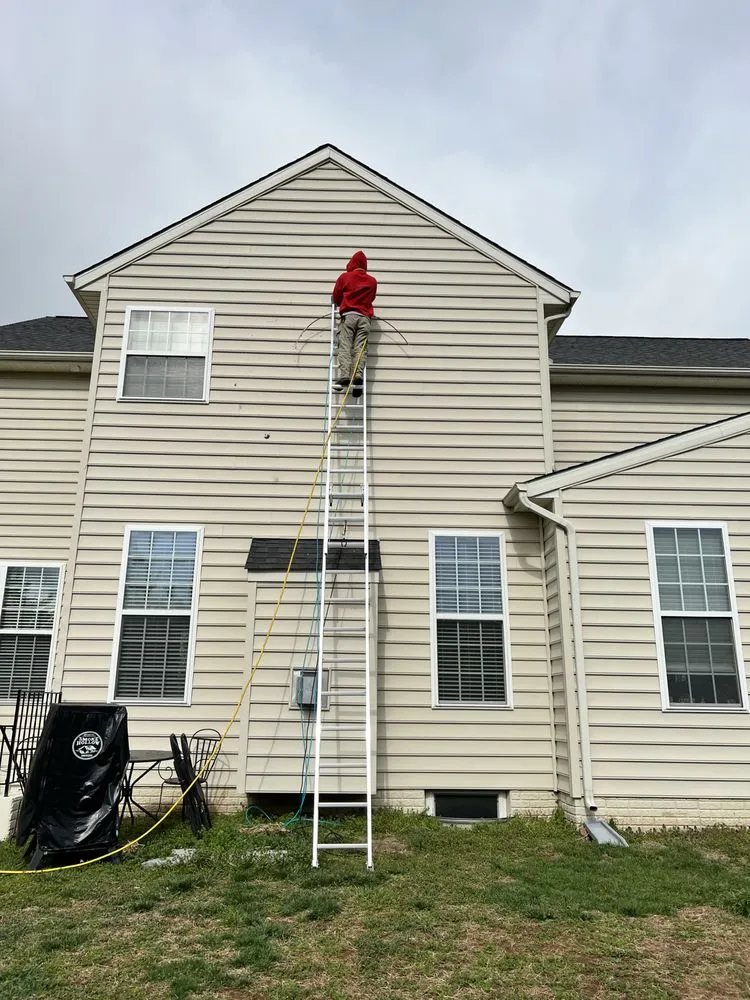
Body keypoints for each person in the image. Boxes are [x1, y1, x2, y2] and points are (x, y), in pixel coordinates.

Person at [331, 250, 377, 398]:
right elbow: (371, 298)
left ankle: (345, 375)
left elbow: (337, 296)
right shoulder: (372, 281)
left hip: (349, 316)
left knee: (345, 345)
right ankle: (357, 375)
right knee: (360, 348)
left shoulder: (345, 277)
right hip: (364, 318)